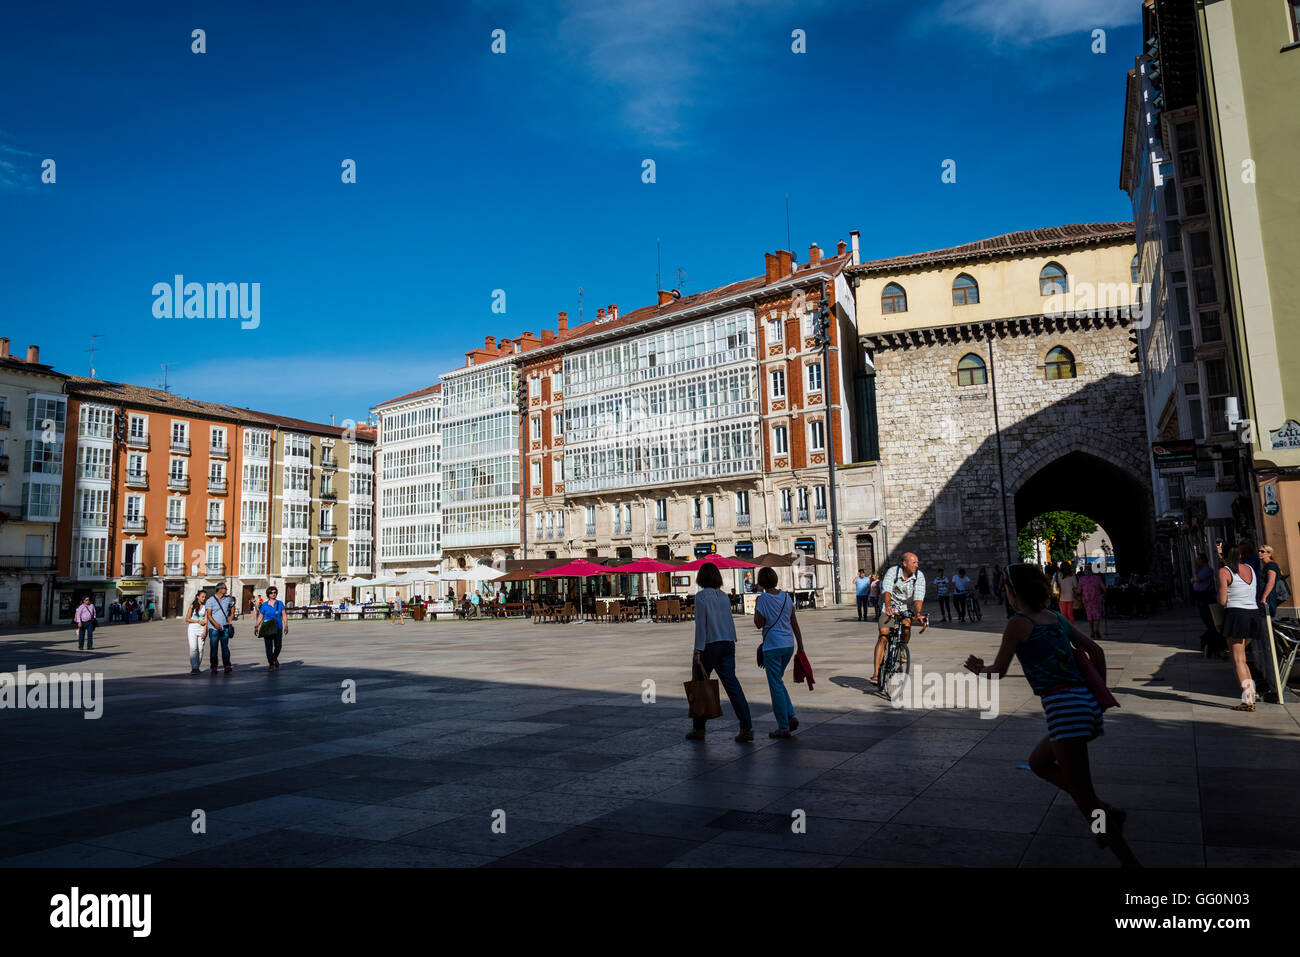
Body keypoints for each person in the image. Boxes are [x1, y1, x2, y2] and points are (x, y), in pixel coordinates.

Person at [965, 563, 1139, 868]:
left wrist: (980, 669)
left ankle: (1121, 849)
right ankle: (1106, 813)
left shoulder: (1018, 624)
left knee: (1085, 797)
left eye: (1006, 589)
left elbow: (1000, 671)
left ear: (1014, 593)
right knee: (1038, 763)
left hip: (1063, 710)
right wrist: (1098, 699)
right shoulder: (1056, 618)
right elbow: (1096, 652)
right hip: (1083, 703)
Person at [686, 562, 753, 743]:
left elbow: (701, 625)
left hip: (709, 645)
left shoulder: (701, 597)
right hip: (728, 643)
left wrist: (697, 650)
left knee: (700, 684)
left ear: (701, 578)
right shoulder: (724, 596)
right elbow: (728, 620)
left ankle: (699, 729)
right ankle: (746, 726)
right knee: (732, 685)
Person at [753, 565, 804, 738]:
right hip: (788, 645)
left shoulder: (763, 599)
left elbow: (759, 623)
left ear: (761, 582)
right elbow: (794, 623)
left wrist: (756, 606)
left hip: (772, 646)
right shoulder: (786, 598)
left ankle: (783, 726)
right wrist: (801, 646)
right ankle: (790, 715)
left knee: (775, 685)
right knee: (778, 682)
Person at [1218, 539, 1267, 711]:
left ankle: (1248, 700)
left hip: (1236, 615)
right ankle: (1251, 693)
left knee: (1238, 659)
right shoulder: (1251, 569)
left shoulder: (1224, 571)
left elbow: (1223, 600)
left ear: (1224, 557)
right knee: (1243, 659)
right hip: (1253, 615)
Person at [872, 553, 926, 687]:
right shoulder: (893, 572)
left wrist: (918, 613)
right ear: (905, 563)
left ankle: (902, 647)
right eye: (914, 562)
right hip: (888, 605)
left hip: (905, 607)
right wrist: (889, 606)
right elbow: (887, 591)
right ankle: (876, 673)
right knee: (883, 636)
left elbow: (918, 597)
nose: (917, 565)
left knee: (907, 627)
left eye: (917, 562)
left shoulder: (919, 576)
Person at [204, 582, 236, 674]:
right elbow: (209, 615)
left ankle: (227, 665)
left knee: (225, 647)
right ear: (220, 589)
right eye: (225, 588)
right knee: (214, 648)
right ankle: (214, 667)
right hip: (213, 629)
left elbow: (233, 605)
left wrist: (232, 615)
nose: (226, 590)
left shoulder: (228, 599)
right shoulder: (210, 600)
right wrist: (215, 624)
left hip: (225, 627)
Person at [254, 585, 287, 669]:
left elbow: (283, 615)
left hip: (278, 627)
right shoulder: (264, 605)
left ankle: (274, 657)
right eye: (271, 593)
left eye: (275, 592)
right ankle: (271, 663)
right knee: (268, 647)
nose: (273, 594)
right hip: (267, 628)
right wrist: (256, 626)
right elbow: (260, 616)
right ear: (268, 594)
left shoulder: (280, 603)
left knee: (278, 646)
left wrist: (286, 625)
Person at [1078, 565, 1106, 640]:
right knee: (1097, 614)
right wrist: (1104, 594)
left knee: (1089, 615)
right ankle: (1097, 629)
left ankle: (1092, 631)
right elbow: (1104, 589)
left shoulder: (1081, 579)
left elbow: (1079, 591)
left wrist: (1074, 590)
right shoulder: (1097, 578)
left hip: (1087, 599)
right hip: (1096, 598)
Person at [1258, 545, 1286, 618]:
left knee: (1268, 621)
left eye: (1262, 551)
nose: (1259, 553)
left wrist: (1264, 597)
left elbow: (1271, 582)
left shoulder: (1271, 565)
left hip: (1269, 598)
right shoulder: (1266, 565)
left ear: (1269, 554)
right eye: (1259, 551)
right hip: (1266, 597)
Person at [186, 590, 209, 675]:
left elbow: (206, 620)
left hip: (202, 630)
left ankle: (197, 667)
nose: (204, 598)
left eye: (205, 597)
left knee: (201, 649)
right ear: (198, 597)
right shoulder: (192, 606)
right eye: (202, 596)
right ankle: (194, 668)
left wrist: (205, 631)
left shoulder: (206, 607)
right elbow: (187, 619)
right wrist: (198, 621)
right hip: (192, 629)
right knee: (193, 649)